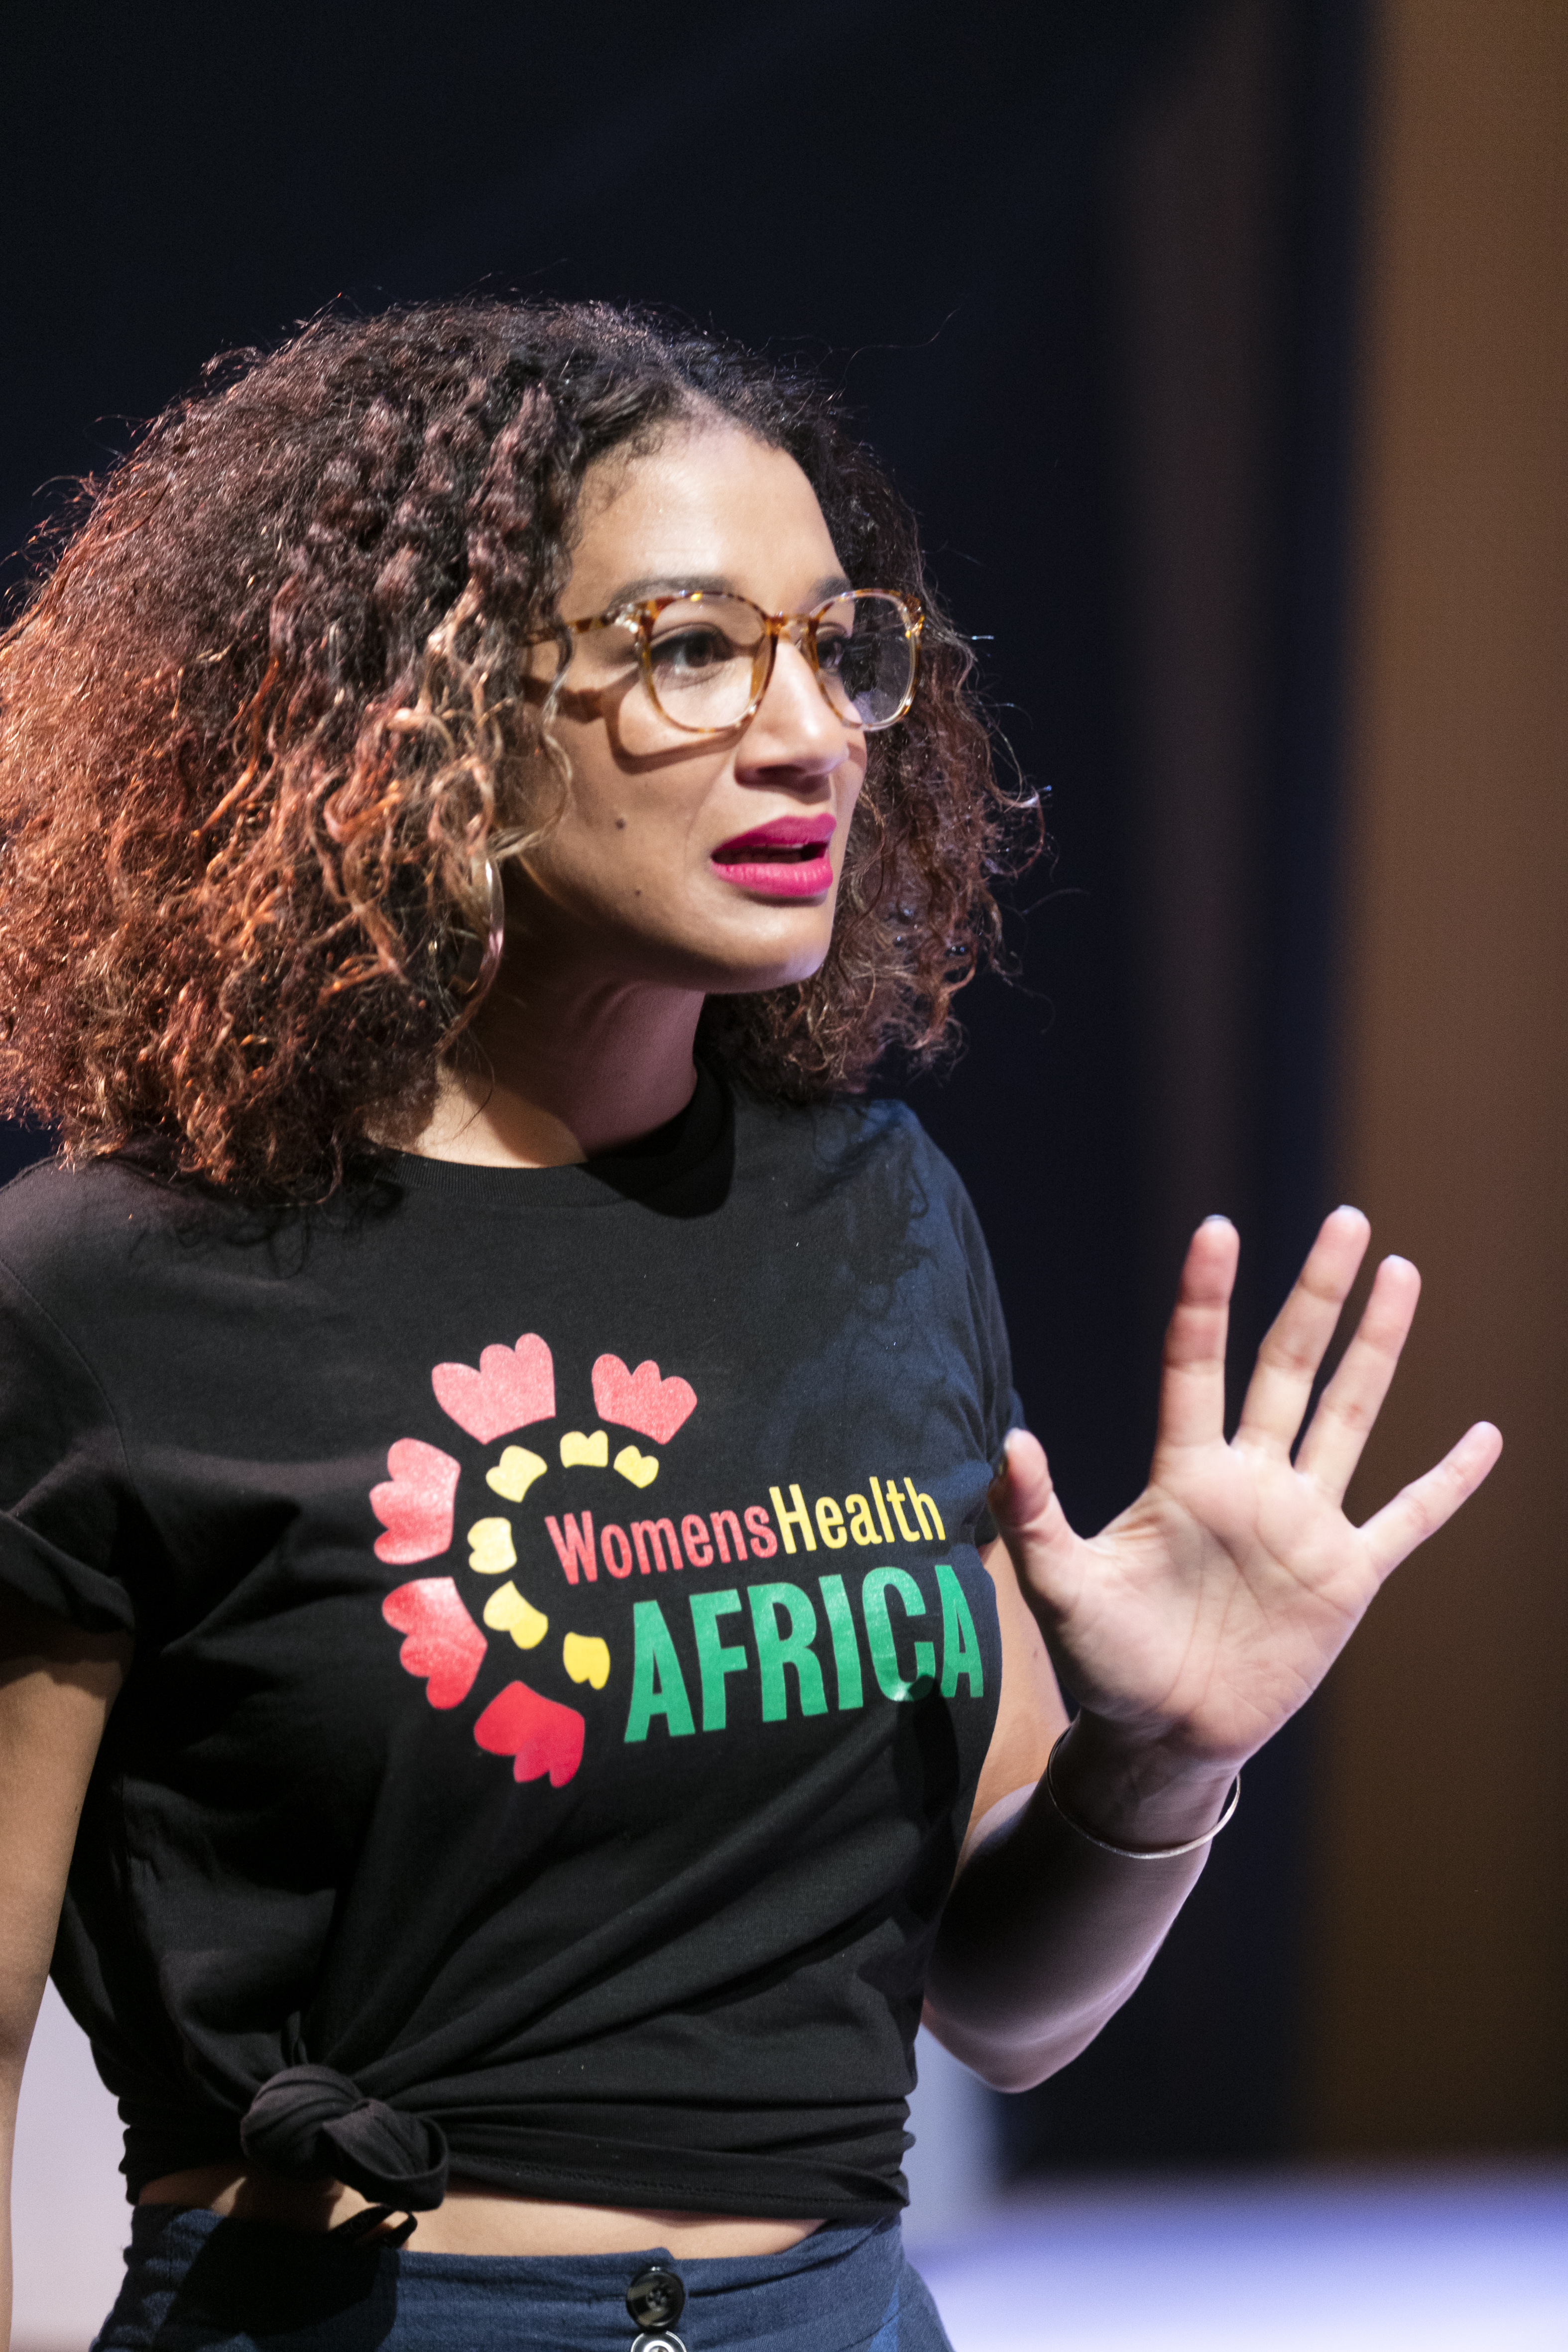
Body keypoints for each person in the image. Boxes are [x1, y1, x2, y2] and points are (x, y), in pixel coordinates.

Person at [0, 302, 1498, 2352]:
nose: (812, 734)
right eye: (693, 649)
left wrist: (1161, 1763)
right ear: (421, 712)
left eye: (837, 648)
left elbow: (1001, 2006)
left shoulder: (880, 1216)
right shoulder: (105, 1290)